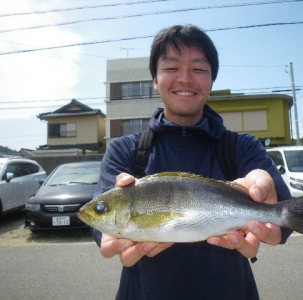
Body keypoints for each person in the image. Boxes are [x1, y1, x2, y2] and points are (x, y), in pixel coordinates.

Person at [91, 24, 292, 300]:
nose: (184, 78)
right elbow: (100, 219)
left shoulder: (241, 146)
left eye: (198, 69)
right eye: (172, 68)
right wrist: (106, 234)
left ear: (211, 80)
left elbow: (285, 212)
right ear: (155, 78)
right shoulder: (125, 150)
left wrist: (271, 201)